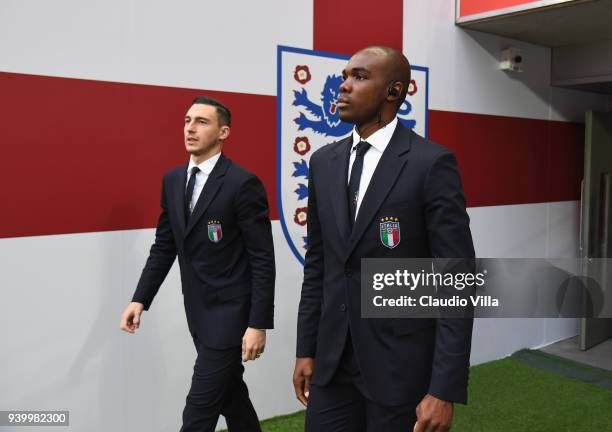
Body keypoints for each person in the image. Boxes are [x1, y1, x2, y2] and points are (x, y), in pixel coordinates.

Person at [293, 46, 475, 432]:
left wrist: (443, 388)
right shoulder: (323, 162)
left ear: (394, 91)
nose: (343, 86)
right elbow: (319, 266)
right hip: (332, 366)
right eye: (344, 76)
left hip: (400, 371)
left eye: (358, 77)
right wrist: (306, 348)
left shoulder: (431, 164)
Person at [120, 96, 275, 432]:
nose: (190, 128)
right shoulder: (173, 180)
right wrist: (140, 299)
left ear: (224, 132)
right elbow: (165, 246)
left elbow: (262, 259)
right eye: (187, 120)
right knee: (233, 398)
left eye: (202, 122)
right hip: (198, 314)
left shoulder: (241, 183)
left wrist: (257, 323)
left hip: (231, 315)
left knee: (198, 413)